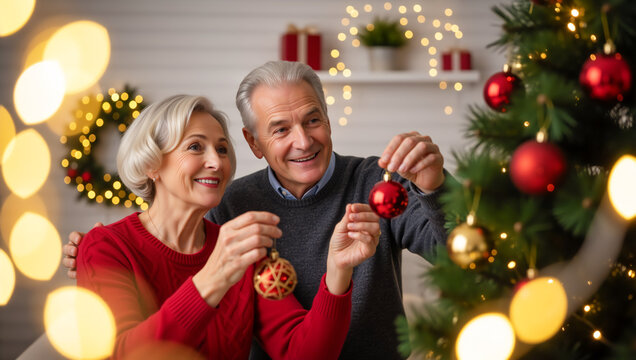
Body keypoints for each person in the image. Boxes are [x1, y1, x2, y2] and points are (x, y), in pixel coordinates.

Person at [65, 61, 448, 359]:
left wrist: (339, 270)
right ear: (255, 143)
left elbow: (468, 257)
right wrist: (94, 255)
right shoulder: (234, 214)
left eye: (312, 120)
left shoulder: (377, 182)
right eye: (196, 147)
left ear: (327, 122)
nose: (216, 162)